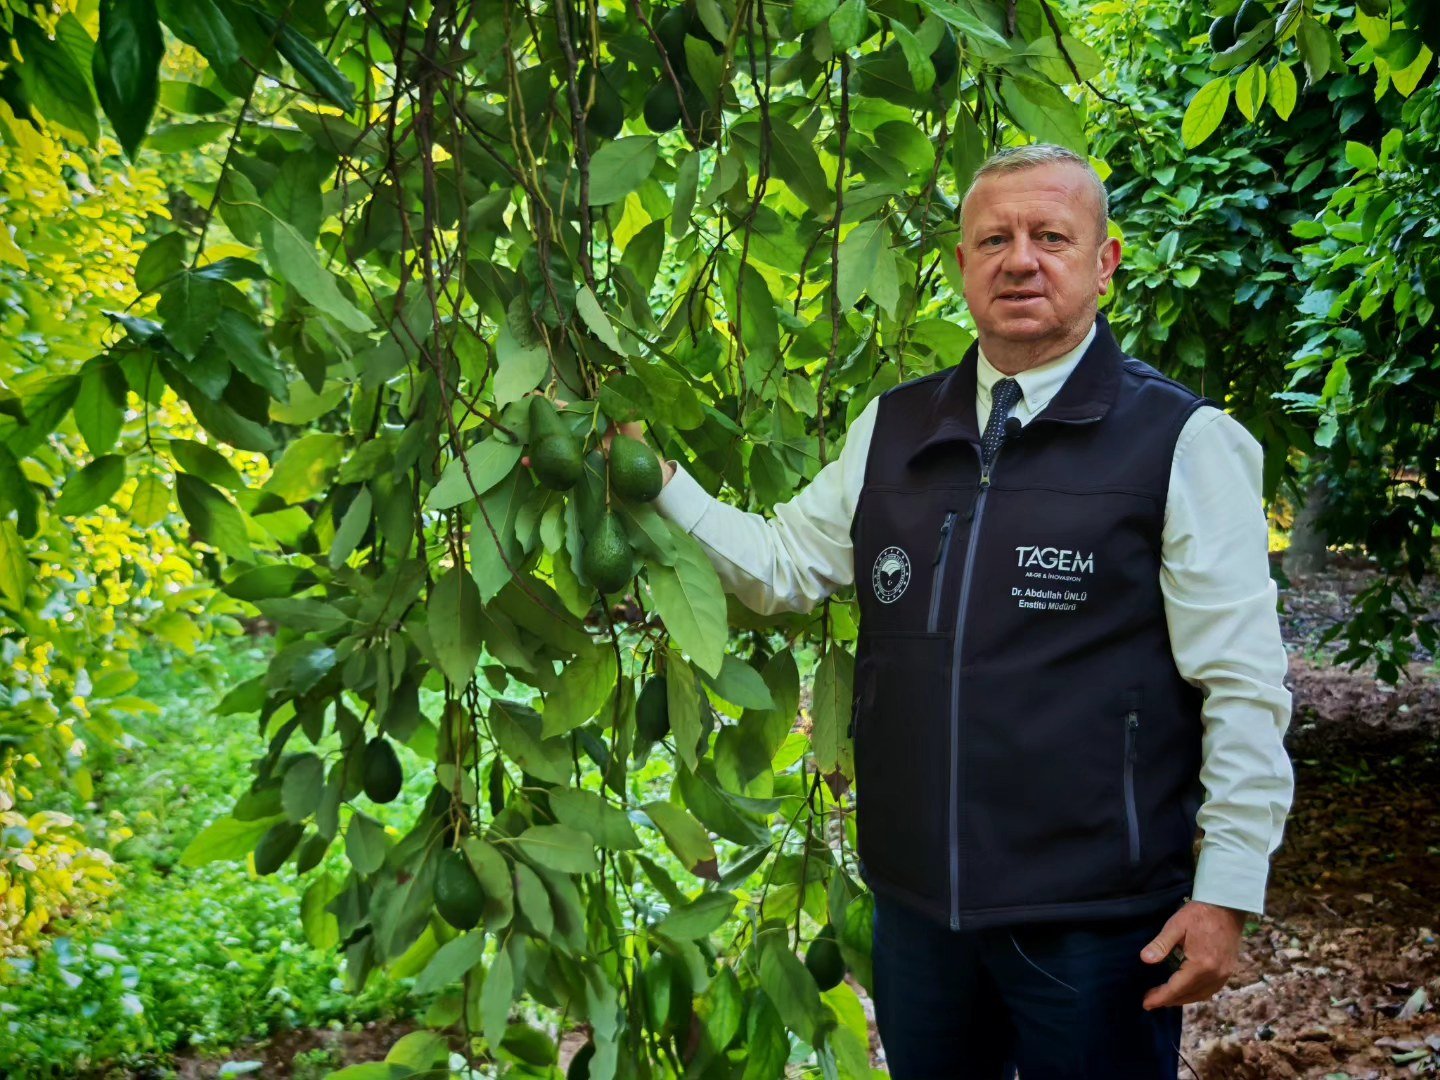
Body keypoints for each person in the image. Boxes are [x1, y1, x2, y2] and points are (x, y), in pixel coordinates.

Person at [580, 144, 1294, 1078]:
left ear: (1105, 261)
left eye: (1051, 236)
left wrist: (1229, 889)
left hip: (1092, 917)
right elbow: (780, 567)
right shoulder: (895, 427)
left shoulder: (1183, 443)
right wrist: (655, 480)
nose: (1021, 259)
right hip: (920, 916)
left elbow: (1242, 682)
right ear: (961, 264)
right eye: (993, 238)